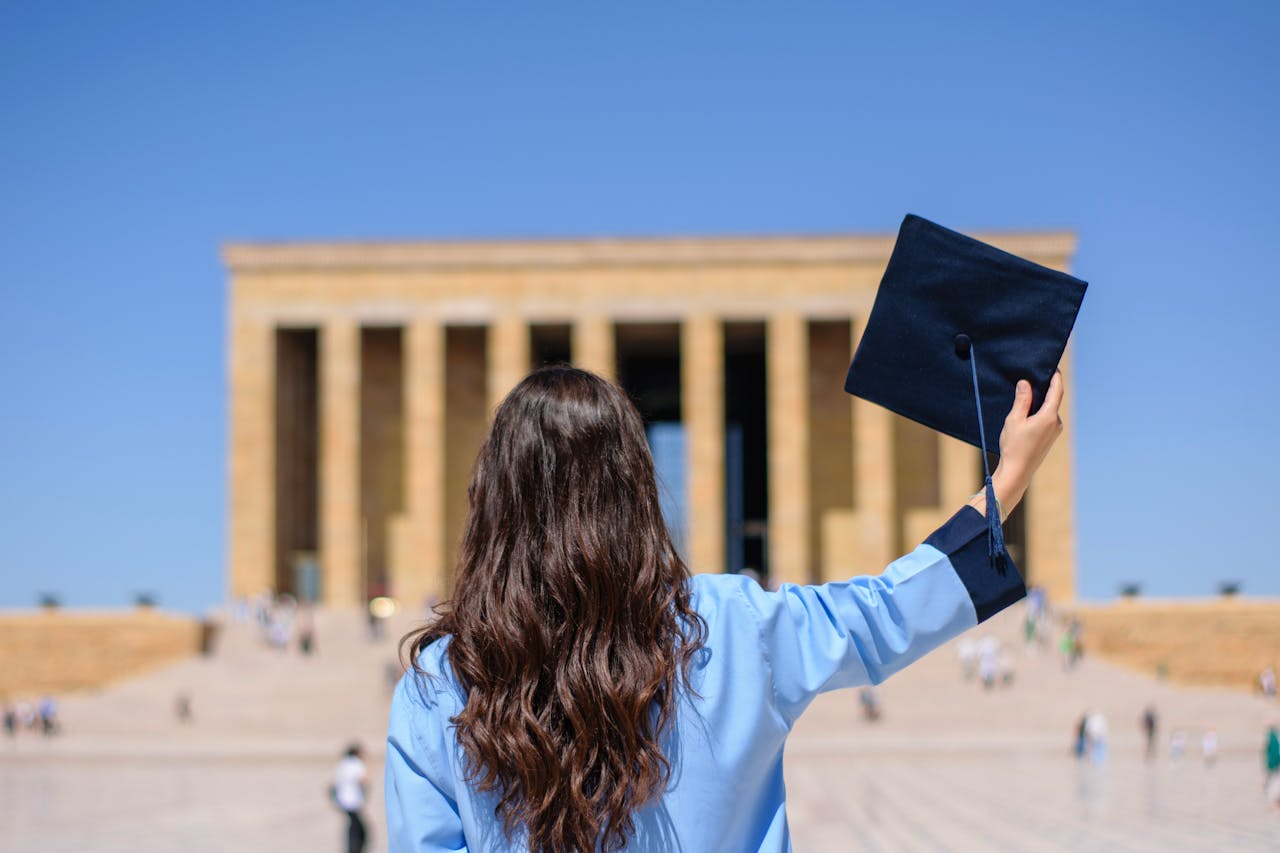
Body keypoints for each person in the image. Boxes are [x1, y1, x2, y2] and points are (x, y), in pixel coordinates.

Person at [386, 366, 1065, 852]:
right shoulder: (733, 626)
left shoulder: (438, 681)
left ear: (495, 501)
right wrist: (1007, 479)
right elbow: (886, 613)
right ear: (634, 488)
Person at [333, 743, 369, 853]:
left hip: (343, 799)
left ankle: (352, 848)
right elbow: (362, 779)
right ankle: (354, 849)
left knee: (353, 826)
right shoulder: (356, 764)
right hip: (353, 800)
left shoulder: (343, 763)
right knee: (358, 829)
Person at [1265, 725, 1280, 808]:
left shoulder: (1274, 739)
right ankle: (1274, 801)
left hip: (1276, 763)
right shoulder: (1273, 739)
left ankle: (1275, 801)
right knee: (1274, 782)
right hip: (1275, 764)